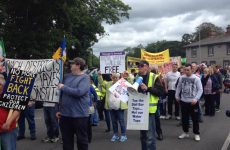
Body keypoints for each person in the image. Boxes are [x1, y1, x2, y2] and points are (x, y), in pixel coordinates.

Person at [56, 57, 90, 150]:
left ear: (78, 66)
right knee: (66, 141)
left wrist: (63, 87)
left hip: (80, 115)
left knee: (81, 140)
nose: (70, 65)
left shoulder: (85, 78)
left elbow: (79, 92)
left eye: (73, 63)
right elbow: (61, 95)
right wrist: (59, 109)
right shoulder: (67, 76)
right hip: (65, 114)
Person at [98, 71, 133, 142]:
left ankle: (123, 135)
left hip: (120, 106)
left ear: (118, 77)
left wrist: (128, 75)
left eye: (116, 77)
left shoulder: (122, 84)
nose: (115, 78)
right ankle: (115, 134)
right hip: (111, 106)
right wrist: (99, 76)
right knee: (113, 121)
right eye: (113, 77)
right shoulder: (109, 84)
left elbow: (130, 84)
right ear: (111, 77)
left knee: (121, 120)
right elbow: (101, 83)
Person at [137, 60, 164, 150]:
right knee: (142, 136)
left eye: (141, 65)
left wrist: (147, 88)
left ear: (147, 67)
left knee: (150, 136)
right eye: (138, 66)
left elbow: (160, 92)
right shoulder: (136, 77)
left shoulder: (154, 76)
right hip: (139, 110)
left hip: (150, 110)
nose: (139, 67)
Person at [176, 64, 203, 141]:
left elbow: (200, 89)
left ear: (192, 70)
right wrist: (177, 96)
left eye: (188, 70)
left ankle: (196, 133)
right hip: (184, 101)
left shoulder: (196, 78)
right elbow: (178, 87)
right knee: (184, 118)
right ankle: (185, 132)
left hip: (193, 102)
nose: (186, 71)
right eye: (185, 70)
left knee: (195, 119)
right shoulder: (181, 78)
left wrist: (196, 99)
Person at [0, 78, 21, 150]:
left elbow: (17, 110)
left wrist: (8, 123)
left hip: (7, 130)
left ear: (2, 86)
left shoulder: (9, 95)